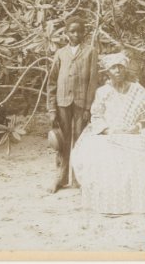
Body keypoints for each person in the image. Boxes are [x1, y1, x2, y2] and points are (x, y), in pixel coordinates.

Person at [71, 53, 145, 214]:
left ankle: (137, 203)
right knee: (104, 160)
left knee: (144, 160)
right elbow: (97, 116)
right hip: (109, 134)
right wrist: (108, 130)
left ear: (125, 70)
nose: (117, 70)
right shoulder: (102, 92)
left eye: (121, 67)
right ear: (107, 72)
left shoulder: (136, 89)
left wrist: (138, 126)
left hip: (132, 133)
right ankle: (110, 204)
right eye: (113, 67)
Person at [46, 16, 99, 193]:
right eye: (72, 31)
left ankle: (77, 178)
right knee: (62, 141)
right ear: (67, 33)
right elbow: (52, 81)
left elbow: (92, 81)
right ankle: (60, 177)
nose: (76, 34)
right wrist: (52, 108)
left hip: (81, 103)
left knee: (79, 140)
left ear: (84, 32)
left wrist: (88, 107)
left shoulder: (91, 51)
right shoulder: (60, 53)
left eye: (79, 31)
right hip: (62, 103)